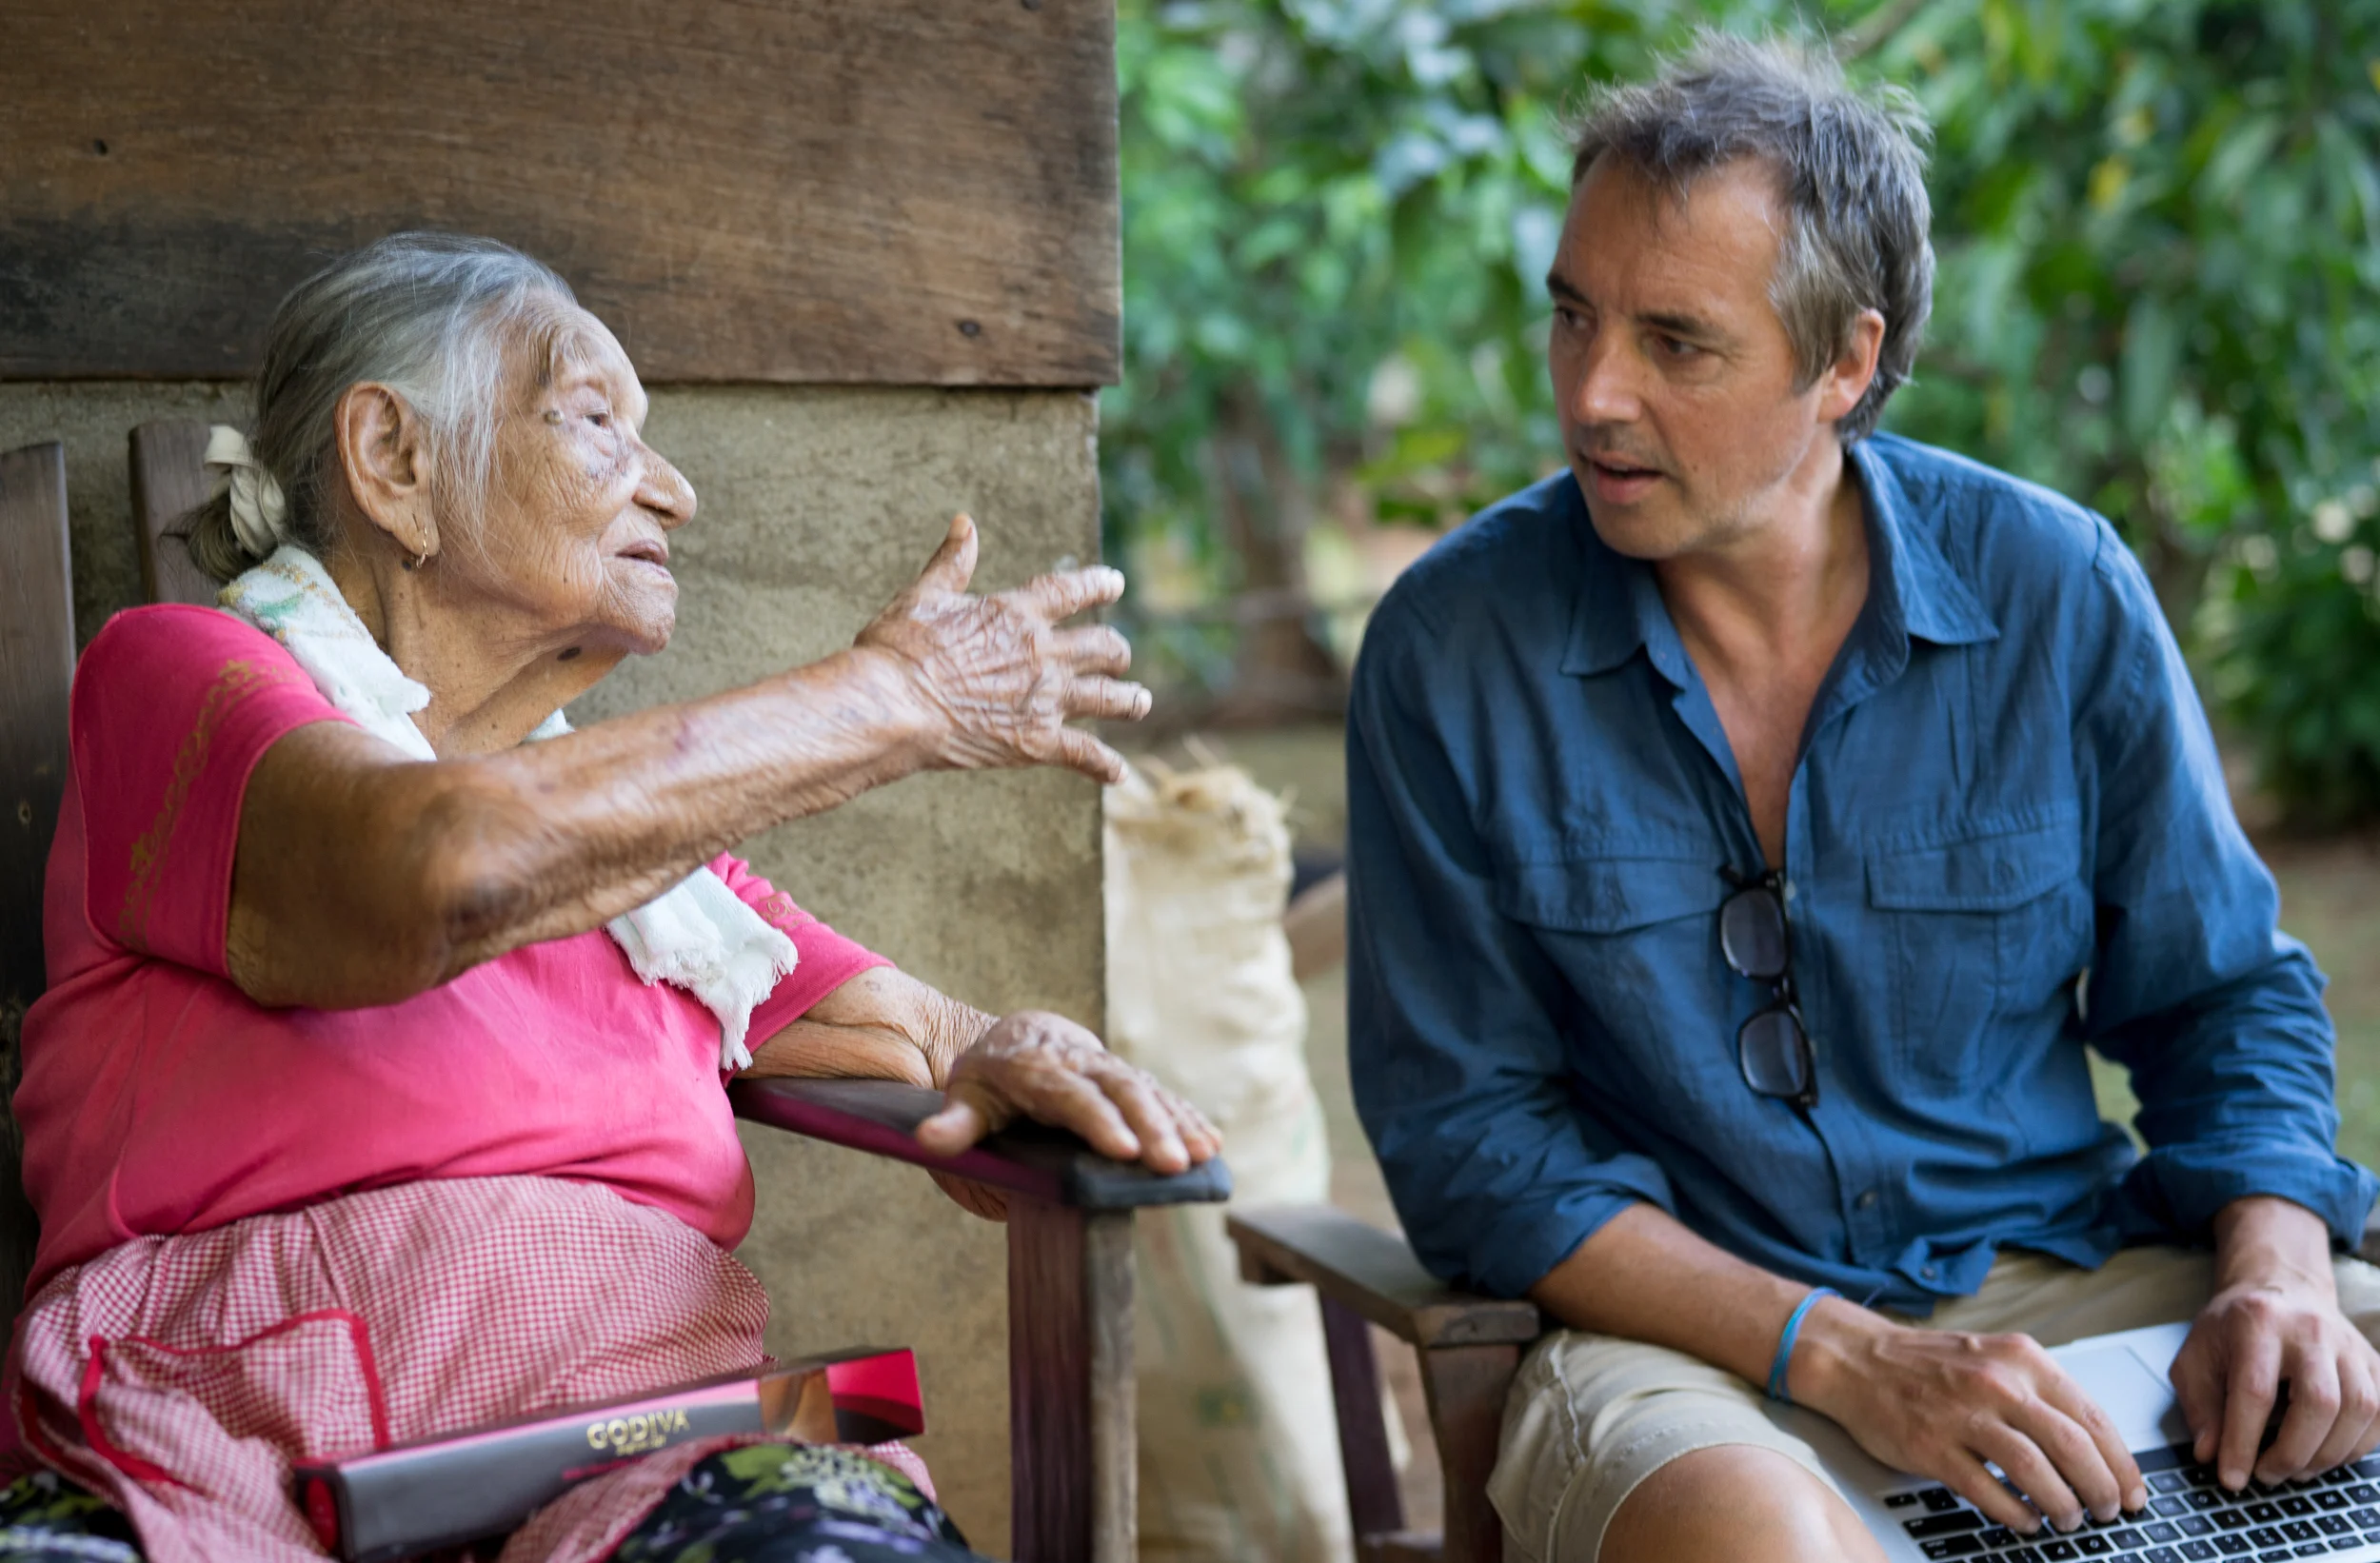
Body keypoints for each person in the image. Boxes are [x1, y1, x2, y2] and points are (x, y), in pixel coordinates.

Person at [4, 231, 1217, 1563]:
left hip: (647, 1454)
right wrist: (890, 699)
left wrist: (1013, 1047)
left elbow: (933, 1042)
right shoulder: (177, 675)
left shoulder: (668, 892)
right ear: (394, 460)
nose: (674, 491)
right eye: (594, 418)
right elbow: (431, 872)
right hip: (214, 1459)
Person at [1345, 32, 2380, 1563]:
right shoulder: (1449, 649)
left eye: (1676, 342)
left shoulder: (2057, 587)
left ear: (1844, 361)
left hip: (2081, 1280)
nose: (1594, 393)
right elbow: (1474, 1144)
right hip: (1689, 1349)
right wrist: (1840, 1353)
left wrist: (2279, 1274)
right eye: (1573, 316)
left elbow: (2221, 998)